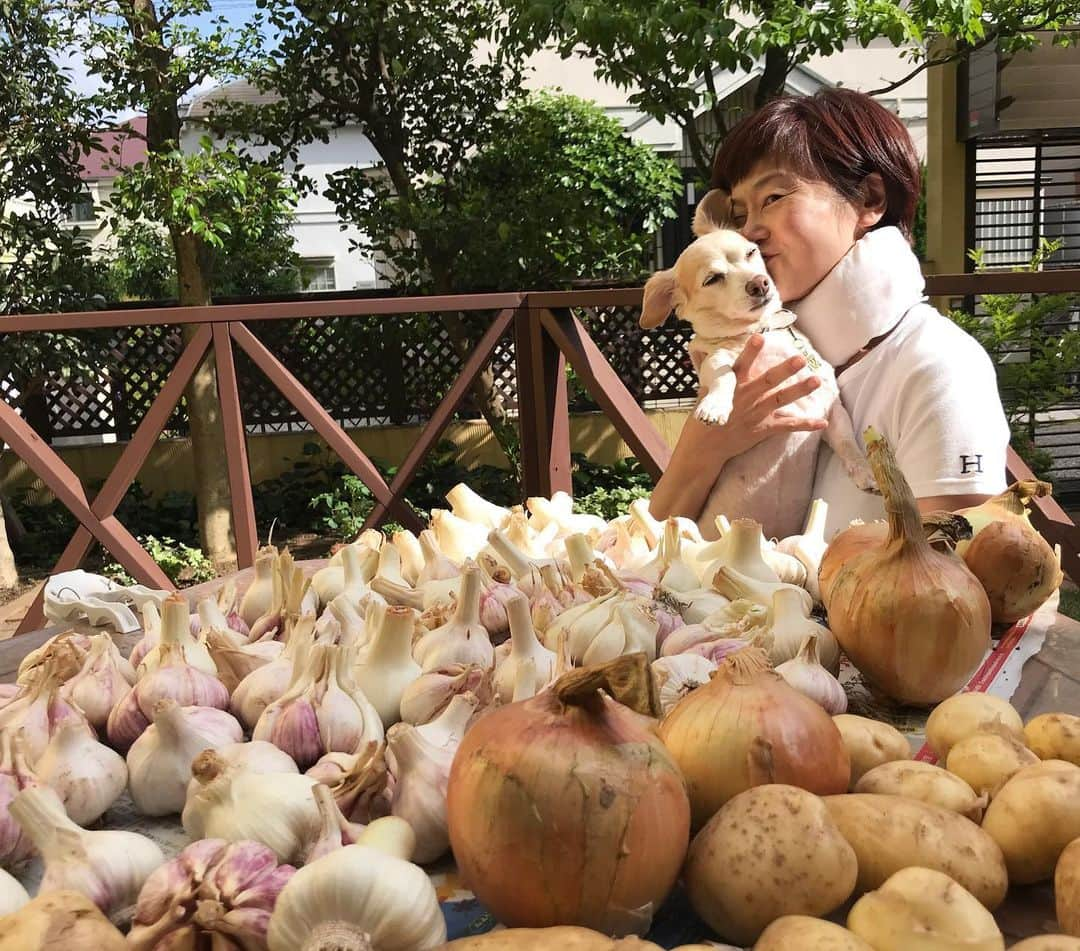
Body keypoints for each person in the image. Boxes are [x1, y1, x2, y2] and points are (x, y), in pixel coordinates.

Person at [649, 87, 1010, 539]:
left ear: (869, 199)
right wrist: (704, 449)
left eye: (774, 197)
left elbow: (952, 583)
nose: (751, 232)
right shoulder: (773, 358)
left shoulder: (939, 365)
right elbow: (650, 553)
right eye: (741, 213)